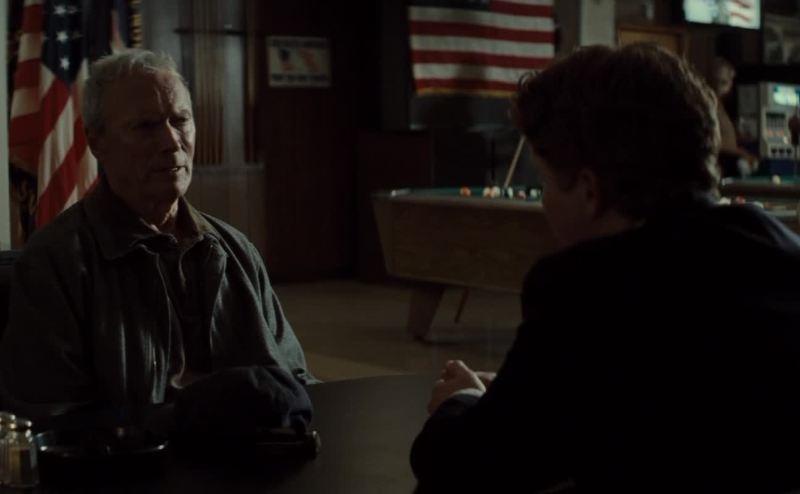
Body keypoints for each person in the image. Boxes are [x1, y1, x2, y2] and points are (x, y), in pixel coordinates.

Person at [410, 44, 800, 493]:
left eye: (545, 182)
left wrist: (462, 401)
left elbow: (465, 464)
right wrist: (533, 392)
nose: (545, 203)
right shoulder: (780, 249)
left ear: (589, 190)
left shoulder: (583, 287)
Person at [0, 49, 315, 433]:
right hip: (133, 463)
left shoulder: (235, 250)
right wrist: (187, 417)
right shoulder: (55, 263)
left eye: (181, 120)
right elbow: (48, 422)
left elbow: (297, 383)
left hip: (254, 460)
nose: (171, 142)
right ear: (96, 142)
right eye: (145, 126)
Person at [711, 56, 759, 177]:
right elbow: (713, 142)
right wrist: (742, 153)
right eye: (718, 81)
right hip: (722, 165)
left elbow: (725, 135)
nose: (719, 87)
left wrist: (740, 138)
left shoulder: (720, 106)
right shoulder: (709, 106)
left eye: (725, 82)